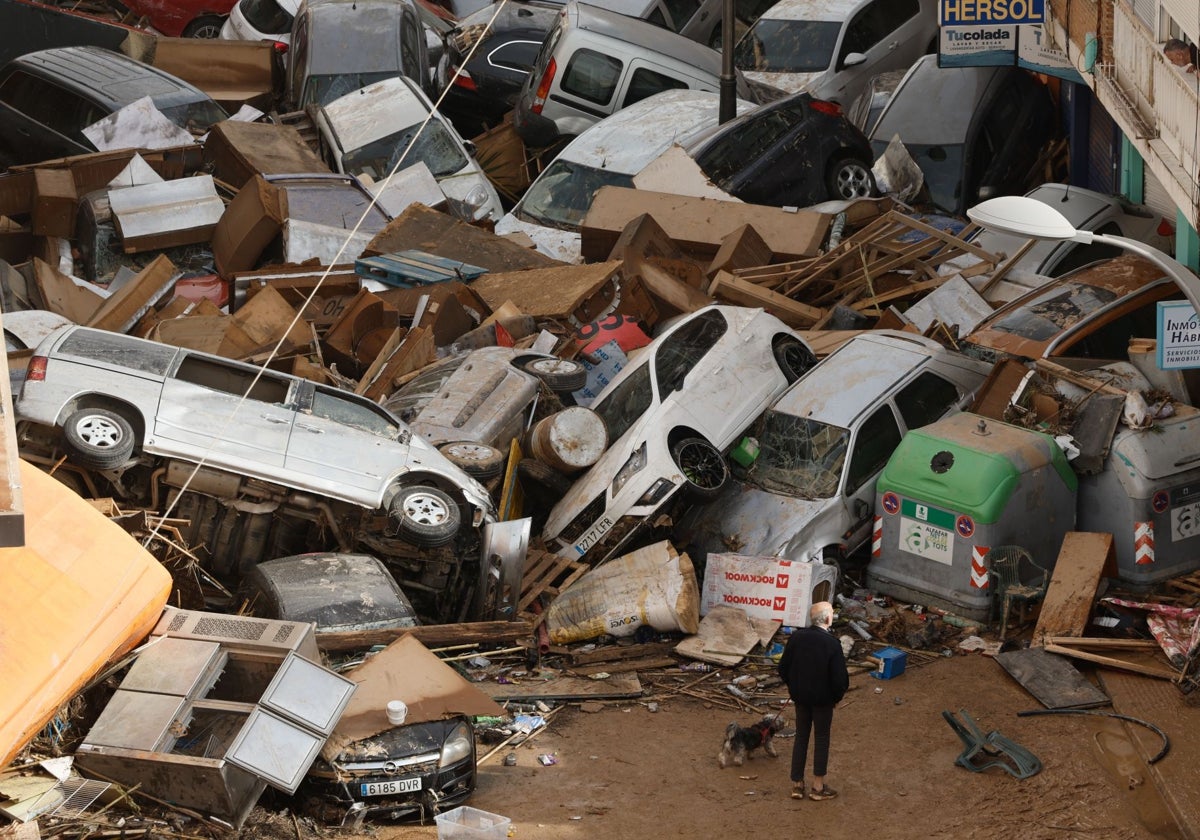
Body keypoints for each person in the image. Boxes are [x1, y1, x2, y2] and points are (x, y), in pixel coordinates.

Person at [778, 600, 849, 801]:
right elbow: (839, 678)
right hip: (823, 700)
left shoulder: (796, 638)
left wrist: (794, 687)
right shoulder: (832, 644)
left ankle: (797, 784)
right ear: (827, 618)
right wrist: (836, 697)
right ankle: (818, 787)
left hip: (800, 698)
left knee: (801, 736)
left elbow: (783, 668)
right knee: (821, 738)